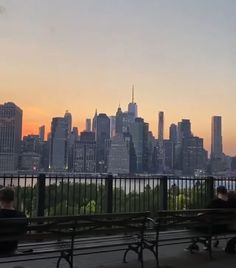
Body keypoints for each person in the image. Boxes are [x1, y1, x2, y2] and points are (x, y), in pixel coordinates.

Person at [0, 187, 27, 255]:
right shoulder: (21, 216)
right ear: (13, 199)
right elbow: (23, 232)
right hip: (12, 248)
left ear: (0, 199)